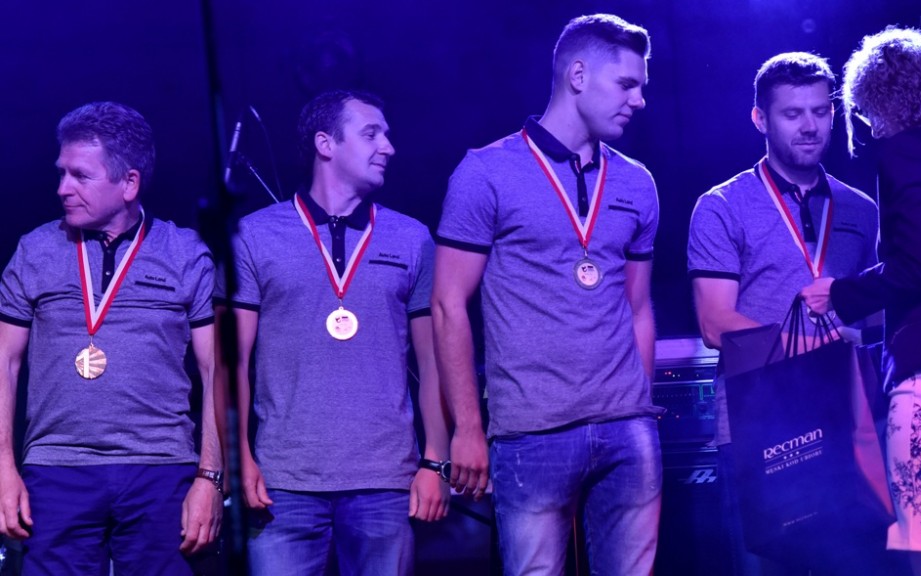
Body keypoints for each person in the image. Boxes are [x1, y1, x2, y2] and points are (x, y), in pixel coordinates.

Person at [433, 13, 662, 575]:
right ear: (578, 75)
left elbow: (638, 306)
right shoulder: (486, 172)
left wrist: (641, 411)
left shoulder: (637, 181)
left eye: (641, 87)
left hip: (626, 428)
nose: (638, 101)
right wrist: (467, 428)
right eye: (626, 85)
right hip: (531, 433)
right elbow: (447, 306)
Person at [225, 90, 449, 576]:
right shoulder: (254, 235)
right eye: (371, 134)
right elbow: (232, 361)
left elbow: (433, 361)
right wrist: (238, 457)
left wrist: (436, 459)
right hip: (283, 483)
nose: (388, 146)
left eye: (386, 134)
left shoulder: (412, 238)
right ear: (325, 144)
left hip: (386, 482)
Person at [802, 28, 921, 576]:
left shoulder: (903, 155)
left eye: (867, 113)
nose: (869, 127)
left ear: (882, 101)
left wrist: (839, 293)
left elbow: (917, 266)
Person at [0, 102, 223, 574]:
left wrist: (210, 476)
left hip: (161, 469)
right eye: (61, 173)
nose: (62, 188)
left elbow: (215, 371)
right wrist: (2, 468)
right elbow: (4, 363)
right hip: (57, 470)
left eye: (80, 176)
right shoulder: (35, 250)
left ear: (129, 184)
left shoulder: (184, 253)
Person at [687, 53, 883, 575]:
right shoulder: (722, 206)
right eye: (792, 114)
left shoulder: (861, 209)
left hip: (846, 422)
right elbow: (714, 323)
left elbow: (873, 317)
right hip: (757, 424)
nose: (809, 126)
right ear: (760, 119)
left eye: (820, 111)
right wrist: (814, 349)